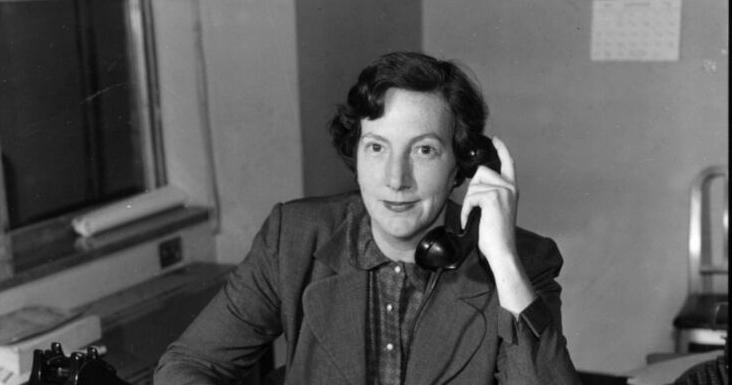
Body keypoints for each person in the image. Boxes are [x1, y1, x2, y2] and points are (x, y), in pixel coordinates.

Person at [154, 51, 581, 384]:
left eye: (424, 150)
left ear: (462, 165)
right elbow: (189, 363)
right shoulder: (293, 238)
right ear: (355, 154)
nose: (396, 179)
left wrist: (503, 262)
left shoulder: (525, 261)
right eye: (377, 147)